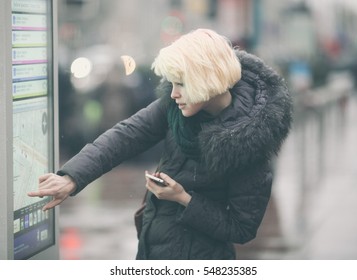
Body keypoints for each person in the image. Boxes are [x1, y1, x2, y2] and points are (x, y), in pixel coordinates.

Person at [28, 28, 292, 259]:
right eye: (172, 83)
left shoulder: (251, 141)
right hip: (152, 250)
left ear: (207, 82)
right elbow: (126, 135)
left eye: (181, 84)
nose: (173, 93)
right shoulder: (177, 106)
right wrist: (72, 178)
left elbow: (241, 228)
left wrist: (184, 198)